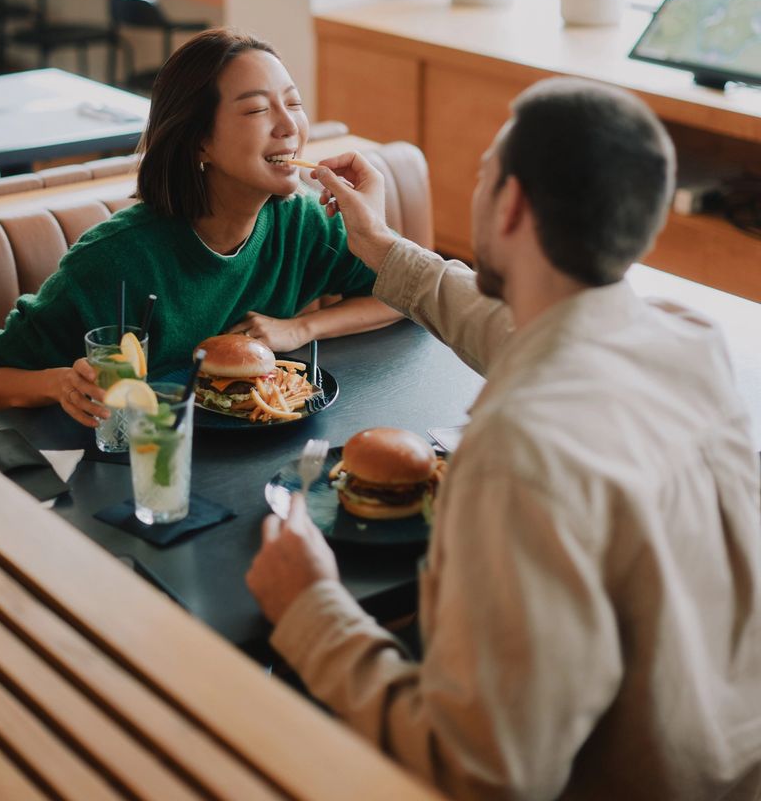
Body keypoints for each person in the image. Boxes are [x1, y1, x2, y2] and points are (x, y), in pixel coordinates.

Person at [246, 77, 761, 801]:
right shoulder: (686, 342)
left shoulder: (519, 451)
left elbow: (478, 773)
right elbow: (526, 332)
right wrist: (383, 248)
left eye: (485, 176)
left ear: (511, 204)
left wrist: (309, 609)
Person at [0, 28, 399, 425]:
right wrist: (61, 383)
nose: (289, 125)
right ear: (199, 141)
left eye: (294, 103)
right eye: (256, 109)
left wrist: (300, 328)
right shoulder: (114, 259)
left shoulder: (300, 221)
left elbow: (399, 296)